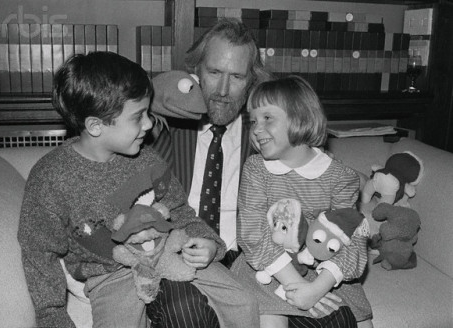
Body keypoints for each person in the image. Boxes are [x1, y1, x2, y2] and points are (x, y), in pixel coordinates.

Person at [17, 51, 259, 328]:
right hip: (111, 273)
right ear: (95, 126)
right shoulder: (50, 178)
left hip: (170, 252)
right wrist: (52, 316)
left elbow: (180, 211)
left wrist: (209, 244)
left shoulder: (148, 160)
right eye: (138, 117)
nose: (149, 124)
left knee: (246, 303)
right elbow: (39, 253)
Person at [149, 18, 361, 328]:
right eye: (214, 72)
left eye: (236, 76)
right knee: (186, 313)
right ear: (196, 72)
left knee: (336, 321)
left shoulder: (265, 133)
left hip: (253, 257)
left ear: (252, 81)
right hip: (185, 252)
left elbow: (320, 177)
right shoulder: (168, 125)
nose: (222, 90)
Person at [235, 75, 373, 327]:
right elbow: (252, 232)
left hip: (324, 267)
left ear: (301, 118)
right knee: (270, 320)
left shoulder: (341, 177)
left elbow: (351, 239)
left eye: (267, 118)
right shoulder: (256, 169)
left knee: (361, 323)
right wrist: (295, 284)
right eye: (253, 120)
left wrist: (318, 288)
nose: (255, 128)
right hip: (271, 265)